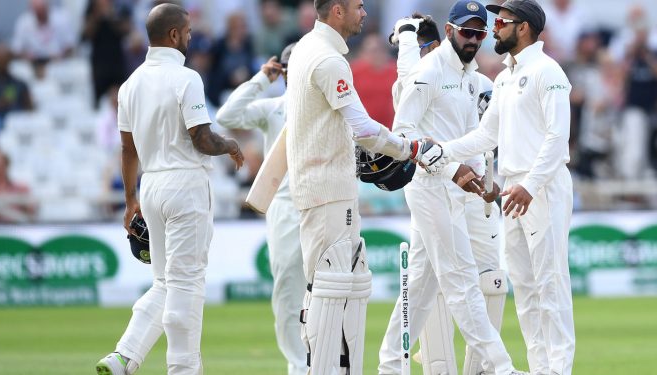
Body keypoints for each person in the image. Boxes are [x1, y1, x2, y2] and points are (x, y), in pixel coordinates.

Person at [285, 0, 446, 373]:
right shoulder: (327, 59)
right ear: (337, 10)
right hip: (327, 190)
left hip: (325, 185)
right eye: (358, 6)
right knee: (331, 288)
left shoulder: (307, 49)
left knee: (348, 286)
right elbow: (362, 127)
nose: (365, 13)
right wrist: (410, 148)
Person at [95, 4, 245, 375]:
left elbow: (128, 149)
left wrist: (130, 199)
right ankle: (183, 369)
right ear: (174, 35)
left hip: (150, 185)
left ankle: (124, 356)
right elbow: (201, 139)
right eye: (188, 32)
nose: (191, 38)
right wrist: (230, 145)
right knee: (187, 283)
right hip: (184, 182)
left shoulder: (130, 84)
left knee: (164, 282)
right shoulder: (186, 77)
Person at [378, 2, 525, 375]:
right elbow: (404, 134)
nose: (474, 39)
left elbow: (475, 138)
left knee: (422, 288)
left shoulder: (471, 77)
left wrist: (484, 182)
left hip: (456, 192)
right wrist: (450, 167)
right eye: (467, 32)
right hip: (428, 186)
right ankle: (501, 369)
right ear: (449, 31)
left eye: (479, 33)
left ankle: (389, 365)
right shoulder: (427, 73)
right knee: (461, 281)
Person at [440, 0, 576, 373]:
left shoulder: (549, 72)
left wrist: (530, 185)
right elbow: (486, 135)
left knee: (551, 282)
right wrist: (437, 150)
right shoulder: (504, 77)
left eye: (502, 21)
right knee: (526, 287)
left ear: (525, 28)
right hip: (513, 188)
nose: (494, 27)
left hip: (542, 187)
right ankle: (539, 367)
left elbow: (557, 138)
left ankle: (558, 369)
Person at [215, 44, 308, 375]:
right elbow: (226, 117)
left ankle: (327, 361)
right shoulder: (274, 108)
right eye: (291, 66)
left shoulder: (330, 104)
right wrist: (262, 78)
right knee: (286, 288)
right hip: (284, 204)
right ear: (283, 71)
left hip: (323, 201)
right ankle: (299, 365)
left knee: (329, 287)